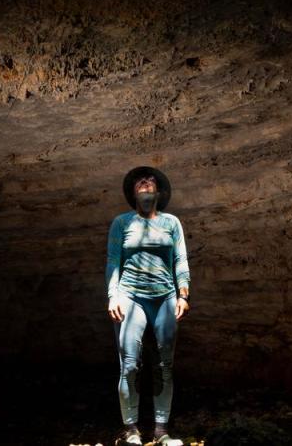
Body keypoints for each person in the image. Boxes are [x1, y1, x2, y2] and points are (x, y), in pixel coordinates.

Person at [106, 166, 191, 446]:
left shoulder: (171, 223)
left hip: (165, 296)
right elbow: (112, 260)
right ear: (132, 192)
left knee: (165, 364)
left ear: (159, 191)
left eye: (150, 179)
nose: (144, 182)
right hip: (130, 295)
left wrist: (183, 294)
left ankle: (161, 431)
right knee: (129, 364)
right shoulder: (121, 223)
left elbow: (180, 258)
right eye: (139, 181)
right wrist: (113, 296)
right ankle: (130, 430)